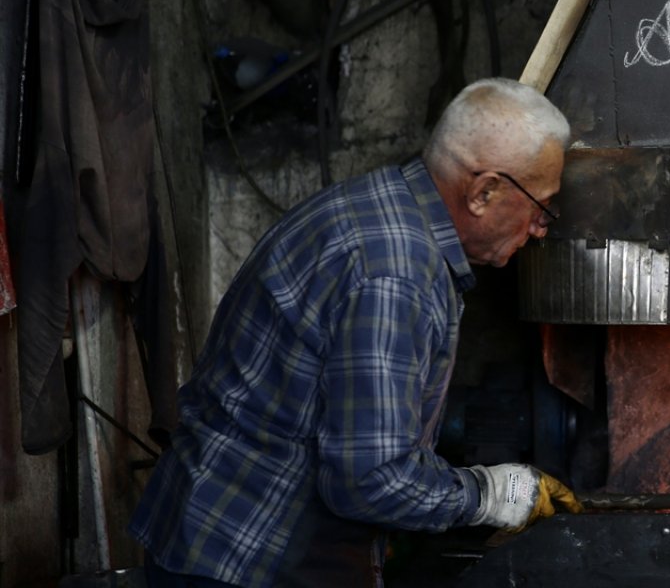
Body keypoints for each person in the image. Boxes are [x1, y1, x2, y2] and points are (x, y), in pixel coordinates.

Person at [130, 78, 581, 587]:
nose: (541, 227)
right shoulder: (397, 273)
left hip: (219, 531)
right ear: (483, 192)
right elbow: (369, 479)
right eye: (541, 207)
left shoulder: (380, 208)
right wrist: (488, 495)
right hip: (243, 556)